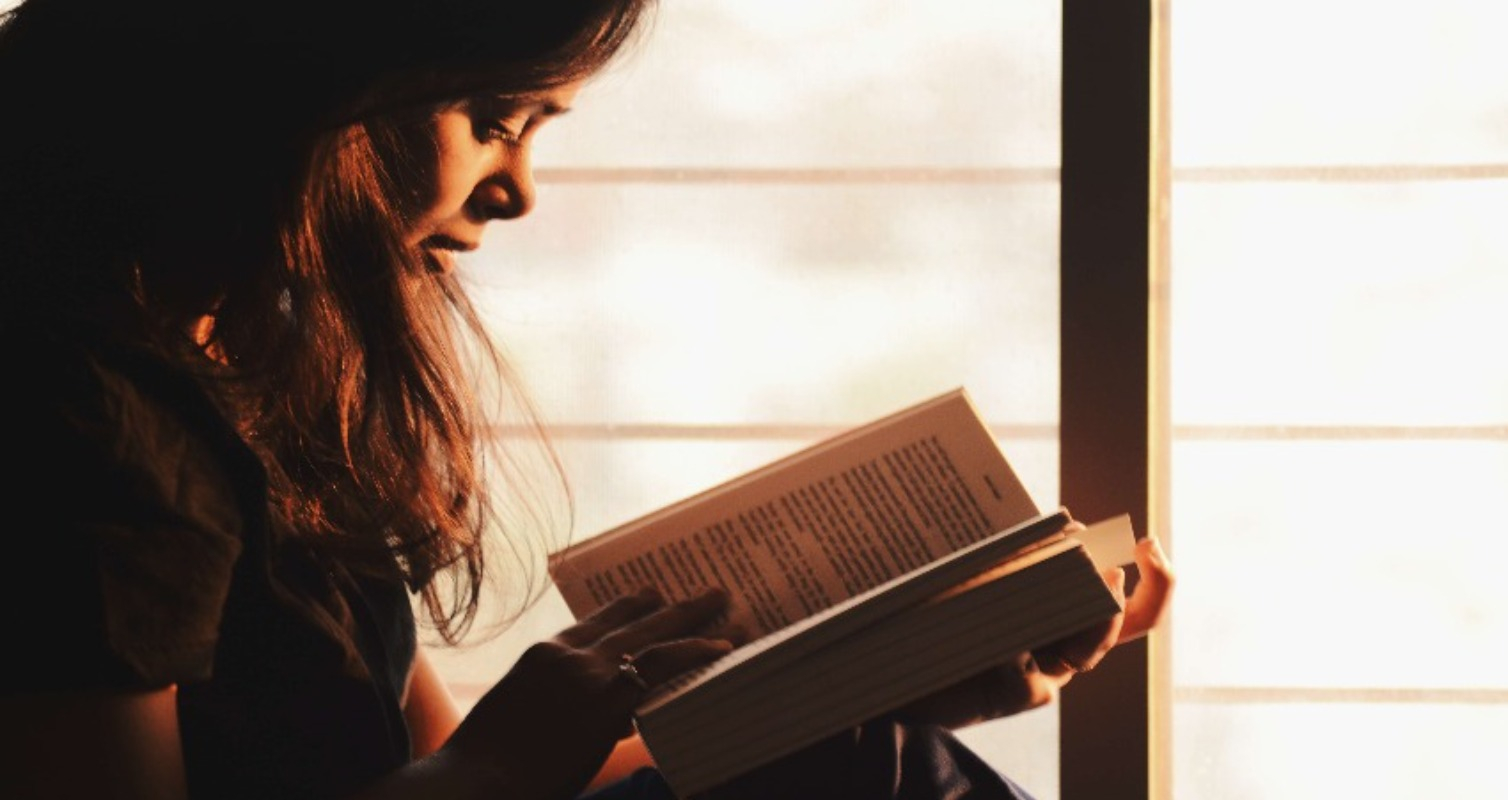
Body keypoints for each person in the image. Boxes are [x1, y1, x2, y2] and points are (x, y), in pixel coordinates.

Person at [0, 0, 1173, 798]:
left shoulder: (252, 376)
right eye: (496, 121)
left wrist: (872, 680)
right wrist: (495, 770)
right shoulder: (80, 426)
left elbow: (438, 765)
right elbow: (470, 780)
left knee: (874, 753)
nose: (516, 192)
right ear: (311, 78)